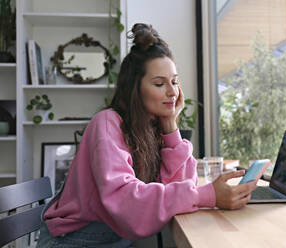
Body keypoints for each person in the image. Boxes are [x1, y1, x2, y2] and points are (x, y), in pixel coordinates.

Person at [36, 23, 257, 247]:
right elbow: (126, 203)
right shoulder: (107, 124)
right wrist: (205, 195)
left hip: (112, 238)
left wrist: (170, 124)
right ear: (135, 88)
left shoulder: (152, 127)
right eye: (160, 83)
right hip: (73, 241)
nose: (172, 92)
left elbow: (180, 187)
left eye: (174, 82)